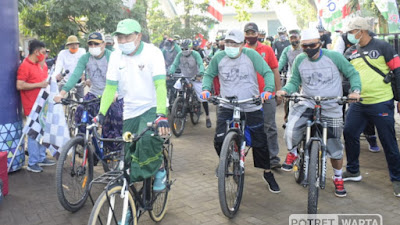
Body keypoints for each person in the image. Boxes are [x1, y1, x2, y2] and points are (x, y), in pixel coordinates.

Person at [276, 28, 361, 197]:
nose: (308, 49)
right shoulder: (300, 59)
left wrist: (355, 91)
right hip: (308, 101)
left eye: (312, 45)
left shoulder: (334, 57)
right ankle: (293, 152)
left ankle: (338, 178)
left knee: (335, 146)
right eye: (304, 46)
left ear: (320, 44)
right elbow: (294, 81)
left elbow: (352, 73)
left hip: (331, 105)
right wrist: (285, 90)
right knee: (291, 126)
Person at [201, 29, 280, 193]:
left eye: (234, 43)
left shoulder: (251, 55)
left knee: (260, 143)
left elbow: (267, 73)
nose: (230, 46)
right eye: (228, 43)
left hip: (250, 103)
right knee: (219, 139)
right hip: (227, 105)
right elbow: (209, 74)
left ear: (242, 44)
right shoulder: (218, 57)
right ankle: (226, 160)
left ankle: (267, 173)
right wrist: (206, 89)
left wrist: (268, 90)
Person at [97, 19, 169, 192]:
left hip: (152, 106)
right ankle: (131, 204)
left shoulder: (153, 53)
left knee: (146, 141)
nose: (122, 41)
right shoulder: (115, 56)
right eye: (119, 37)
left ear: (139, 36)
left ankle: (159, 168)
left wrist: (161, 114)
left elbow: (160, 85)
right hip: (129, 110)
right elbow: (110, 88)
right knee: (129, 154)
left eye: (127, 37)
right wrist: (101, 114)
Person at [342, 17, 400, 197]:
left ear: (362, 30)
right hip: (358, 104)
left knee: (388, 140)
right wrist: (348, 93)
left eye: (351, 32)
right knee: (349, 132)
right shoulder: (350, 51)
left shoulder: (383, 47)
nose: (349, 36)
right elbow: (345, 75)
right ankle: (353, 170)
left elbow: (397, 71)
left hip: (381, 102)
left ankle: (397, 178)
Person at [53, 32, 123, 149]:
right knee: (80, 113)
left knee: (113, 122)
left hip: (111, 94)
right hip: (94, 93)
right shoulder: (85, 58)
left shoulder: (111, 56)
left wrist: (116, 91)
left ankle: (113, 152)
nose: (93, 47)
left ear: (103, 45)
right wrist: (62, 93)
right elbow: (75, 76)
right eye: (91, 44)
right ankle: (85, 144)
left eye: (96, 44)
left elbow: (119, 76)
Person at [333, 30, 380, 152]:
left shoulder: (377, 46)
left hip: (365, 87)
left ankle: (371, 137)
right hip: (345, 82)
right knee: (340, 110)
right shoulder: (346, 44)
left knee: (366, 112)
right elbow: (339, 62)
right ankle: (341, 138)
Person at [243, 22, 282, 168]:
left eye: (253, 33)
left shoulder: (267, 49)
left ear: (258, 34)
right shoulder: (241, 50)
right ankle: (237, 159)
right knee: (244, 127)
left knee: (270, 127)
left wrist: (278, 91)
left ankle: (273, 158)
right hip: (247, 97)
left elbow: (274, 70)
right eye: (248, 33)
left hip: (267, 95)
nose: (250, 35)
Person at [16, 39, 56, 173]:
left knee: (43, 132)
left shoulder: (42, 65)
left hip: (43, 105)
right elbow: (20, 85)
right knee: (34, 134)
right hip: (32, 106)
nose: (45, 55)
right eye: (44, 52)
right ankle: (32, 162)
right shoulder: (25, 66)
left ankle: (41, 157)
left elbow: (45, 82)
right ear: (36, 52)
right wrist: (39, 85)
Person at [169, 39, 212, 128]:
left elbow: (200, 64)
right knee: (176, 87)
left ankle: (208, 117)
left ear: (191, 47)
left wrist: (200, 73)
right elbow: (174, 64)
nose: (184, 51)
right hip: (185, 76)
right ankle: (178, 104)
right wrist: (170, 72)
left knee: (202, 97)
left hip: (196, 77)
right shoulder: (179, 55)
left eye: (186, 48)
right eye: (183, 49)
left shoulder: (195, 54)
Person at [278, 29, 303, 125]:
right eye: (291, 38)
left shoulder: (304, 48)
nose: (293, 40)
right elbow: (281, 63)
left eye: (295, 38)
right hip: (292, 76)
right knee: (287, 97)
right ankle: (287, 118)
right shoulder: (287, 50)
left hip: (305, 77)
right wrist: (275, 72)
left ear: (299, 38)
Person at [53, 35, 86, 100]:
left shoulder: (82, 51)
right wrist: (56, 76)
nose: (74, 46)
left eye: (76, 44)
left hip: (78, 80)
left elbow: (83, 65)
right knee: (59, 99)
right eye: (71, 44)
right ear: (68, 45)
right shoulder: (63, 53)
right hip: (66, 80)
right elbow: (58, 66)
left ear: (78, 44)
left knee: (81, 101)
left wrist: (83, 78)